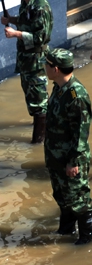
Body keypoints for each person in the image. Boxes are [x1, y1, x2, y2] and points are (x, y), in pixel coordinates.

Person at [43, 48, 92, 244]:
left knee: (78, 199)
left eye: (47, 64)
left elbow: (81, 133)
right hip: (56, 156)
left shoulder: (76, 96)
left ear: (55, 69)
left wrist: (73, 161)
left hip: (70, 158)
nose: (44, 67)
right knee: (62, 196)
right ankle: (66, 230)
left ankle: (87, 237)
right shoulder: (59, 88)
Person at [0, 0, 52, 144]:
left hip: (36, 60)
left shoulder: (41, 7)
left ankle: (38, 141)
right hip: (26, 59)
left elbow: (40, 38)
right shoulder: (26, 1)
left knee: (38, 101)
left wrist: (16, 34)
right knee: (32, 96)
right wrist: (11, 20)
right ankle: (42, 123)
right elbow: (26, 21)